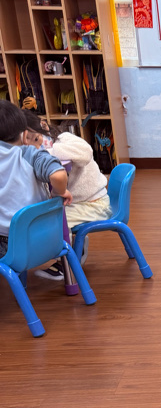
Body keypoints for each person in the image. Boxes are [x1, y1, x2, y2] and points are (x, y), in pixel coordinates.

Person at [0, 101, 70, 278]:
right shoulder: (29, 154)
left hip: (8, 246)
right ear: (25, 135)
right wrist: (59, 193)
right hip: (49, 237)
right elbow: (58, 176)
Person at [47, 125, 111, 232]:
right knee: (45, 219)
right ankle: (72, 241)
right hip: (78, 204)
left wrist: (45, 152)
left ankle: (69, 242)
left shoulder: (64, 138)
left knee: (49, 223)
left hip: (94, 205)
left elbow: (85, 153)